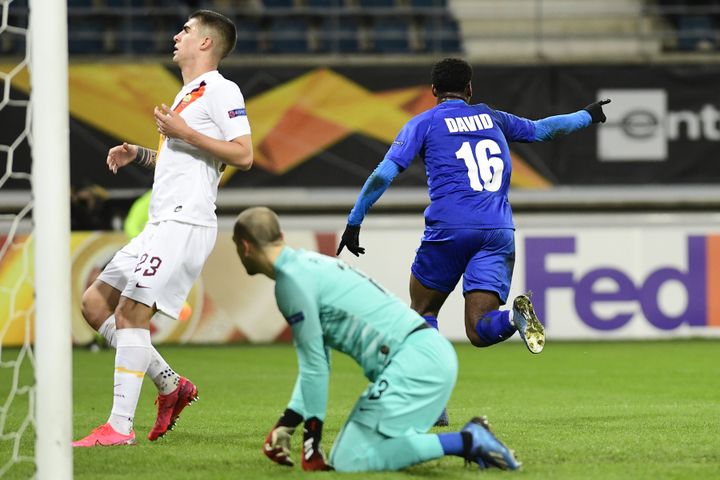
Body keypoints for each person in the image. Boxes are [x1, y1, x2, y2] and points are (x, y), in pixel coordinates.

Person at [337, 58, 610, 425]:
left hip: (450, 229)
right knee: (480, 329)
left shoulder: (423, 122)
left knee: (422, 312)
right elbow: (544, 130)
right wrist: (587, 116)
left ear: (433, 91)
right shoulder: (493, 117)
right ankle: (513, 317)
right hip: (498, 231)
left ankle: (433, 405)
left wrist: (355, 220)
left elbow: (383, 173)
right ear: (469, 89)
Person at [73, 10, 253, 447]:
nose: (177, 36)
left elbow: (243, 154)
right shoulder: (184, 96)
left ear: (206, 43)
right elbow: (182, 160)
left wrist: (184, 132)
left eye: (186, 30)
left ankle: (118, 427)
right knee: (95, 303)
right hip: (159, 222)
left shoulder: (221, 89)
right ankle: (171, 385)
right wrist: (140, 153)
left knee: (131, 313)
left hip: (185, 221)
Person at [232, 206, 521, 472]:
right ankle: (469, 440)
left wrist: (312, 444)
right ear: (279, 236)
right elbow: (319, 358)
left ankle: (469, 440)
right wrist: (287, 425)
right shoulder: (308, 263)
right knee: (356, 450)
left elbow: (314, 366)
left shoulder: (290, 282)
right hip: (427, 356)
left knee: (348, 457)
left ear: (244, 247)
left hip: (411, 364)